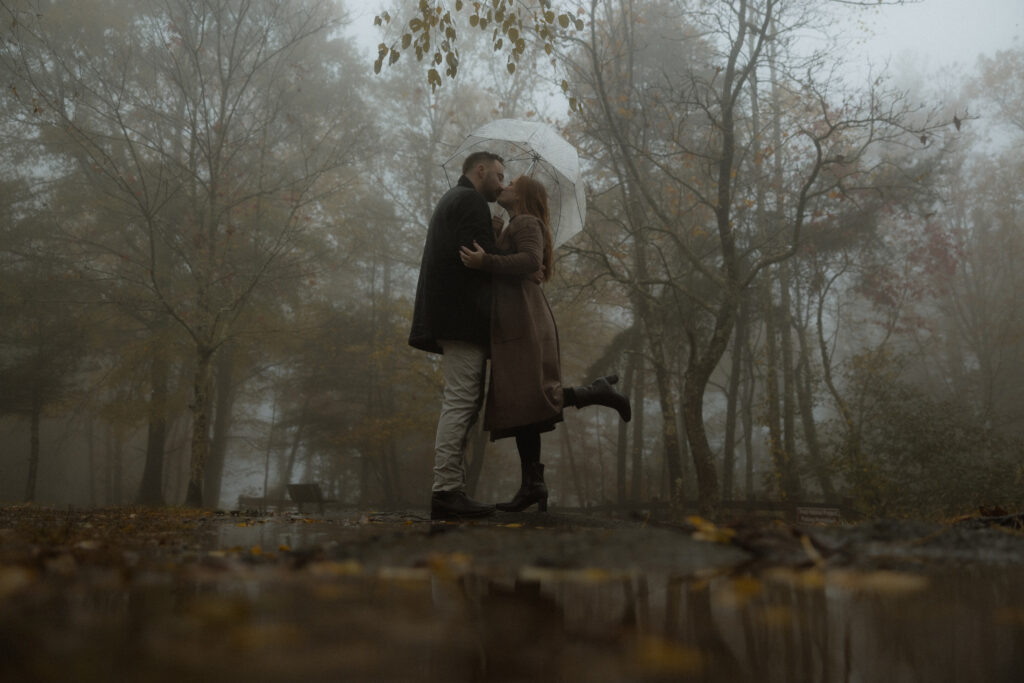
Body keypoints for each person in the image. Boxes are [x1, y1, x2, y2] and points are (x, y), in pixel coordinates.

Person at [459, 175, 631, 512]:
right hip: (520, 319)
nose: (504, 185)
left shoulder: (525, 221)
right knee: (525, 402)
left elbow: (528, 261)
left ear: (523, 195)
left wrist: (486, 261)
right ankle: (532, 485)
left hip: (525, 321)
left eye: (511, 184)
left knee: (530, 396)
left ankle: (596, 393)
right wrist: (494, 238)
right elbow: (521, 264)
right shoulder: (516, 223)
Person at [409, 151, 508, 520]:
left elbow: (469, 252)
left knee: (462, 402)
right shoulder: (469, 201)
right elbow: (479, 262)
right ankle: (447, 491)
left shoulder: (454, 199)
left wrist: (491, 236)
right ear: (479, 171)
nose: (502, 184)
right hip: (461, 320)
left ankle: (451, 489)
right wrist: (498, 247)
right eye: (498, 176)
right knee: (462, 402)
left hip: (451, 318)